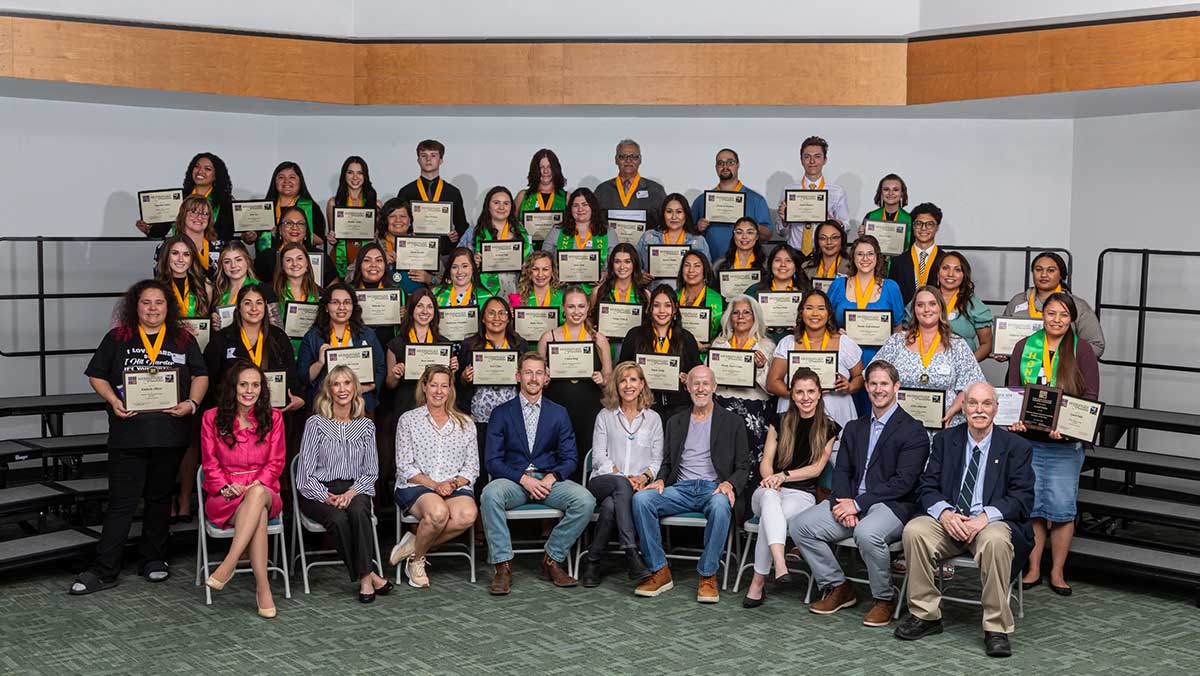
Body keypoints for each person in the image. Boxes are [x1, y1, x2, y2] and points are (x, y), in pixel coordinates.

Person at [70, 280, 208, 594]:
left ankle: (154, 559)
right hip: (127, 435)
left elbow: (201, 374)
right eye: (146, 302)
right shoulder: (118, 338)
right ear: (136, 306)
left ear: (168, 307)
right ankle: (104, 570)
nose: (152, 309)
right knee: (122, 503)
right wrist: (114, 401)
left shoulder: (182, 338)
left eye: (158, 303)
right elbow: (96, 375)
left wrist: (192, 403)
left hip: (169, 433)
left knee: (160, 499)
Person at [894, 382, 1034, 658]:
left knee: (995, 540)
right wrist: (945, 514)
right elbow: (927, 486)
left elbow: (1022, 498)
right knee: (915, 530)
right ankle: (926, 615)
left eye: (985, 404)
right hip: (951, 519)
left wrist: (984, 518)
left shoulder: (1016, 446)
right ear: (964, 407)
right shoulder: (946, 441)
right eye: (973, 403)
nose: (979, 410)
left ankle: (996, 628)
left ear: (996, 408)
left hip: (988, 524)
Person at [788, 360, 929, 627]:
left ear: (896, 387)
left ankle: (884, 598)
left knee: (867, 533)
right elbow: (842, 471)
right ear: (865, 386)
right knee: (800, 526)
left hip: (890, 505)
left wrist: (858, 504)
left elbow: (904, 483)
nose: (878, 389)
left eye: (884, 384)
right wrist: (844, 502)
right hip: (849, 501)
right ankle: (838, 586)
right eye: (873, 383)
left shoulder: (913, 430)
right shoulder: (854, 427)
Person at [1005, 292, 1100, 596]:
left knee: (1061, 510)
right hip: (1029, 442)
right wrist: (1014, 419)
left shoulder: (1082, 349)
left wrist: (1069, 428)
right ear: (1042, 315)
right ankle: (1033, 569)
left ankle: (1057, 571)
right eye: (1051, 313)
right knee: (1032, 507)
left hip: (1064, 446)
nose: (1056, 319)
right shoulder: (1024, 346)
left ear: (1071, 319)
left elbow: (1090, 397)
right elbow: (1013, 390)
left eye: (1063, 314)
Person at [632, 366, 750, 603]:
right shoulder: (675, 421)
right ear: (687, 388)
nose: (700, 388)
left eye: (706, 383)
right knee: (641, 499)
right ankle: (659, 570)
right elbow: (666, 461)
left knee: (720, 504)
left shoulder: (733, 422)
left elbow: (744, 466)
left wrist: (730, 484)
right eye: (695, 383)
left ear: (714, 387)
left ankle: (708, 575)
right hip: (681, 488)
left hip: (713, 488)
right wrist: (661, 479)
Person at [481, 352, 597, 594]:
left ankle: (552, 558)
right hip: (514, 481)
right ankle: (502, 566)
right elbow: (492, 461)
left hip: (547, 481)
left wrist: (550, 477)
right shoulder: (501, 413)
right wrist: (523, 479)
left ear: (547, 378)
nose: (533, 378)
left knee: (585, 500)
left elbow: (570, 458)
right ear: (518, 376)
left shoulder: (559, 413)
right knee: (489, 495)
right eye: (528, 372)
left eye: (538, 373)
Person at [295, 365, 393, 602]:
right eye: (336, 384)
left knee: (359, 511)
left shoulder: (367, 426)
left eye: (347, 383)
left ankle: (365, 579)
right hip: (317, 490)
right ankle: (368, 576)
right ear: (329, 389)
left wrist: (350, 493)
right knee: (338, 519)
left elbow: (371, 471)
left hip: (354, 486)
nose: (342, 389)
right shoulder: (315, 424)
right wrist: (326, 495)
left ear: (355, 388)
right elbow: (304, 473)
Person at [743, 368, 839, 608]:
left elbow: (817, 469)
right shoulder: (780, 420)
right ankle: (780, 562)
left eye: (810, 391)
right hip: (767, 490)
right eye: (799, 392)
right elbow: (766, 461)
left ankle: (758, 581)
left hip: (801, 495)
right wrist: (771, 481)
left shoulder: (829, 427)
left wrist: (783, 477)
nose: (805, 397)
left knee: (770, 515)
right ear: (792, 396)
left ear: (820, 394)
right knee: (769, 500)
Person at [199, 361, 287, 618]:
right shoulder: (211, 418)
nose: (250, 390)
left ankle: (229, 563)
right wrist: (225, 488)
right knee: (256, 514)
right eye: (244, 384)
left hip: (265, 489)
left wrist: (252, 486)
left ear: (262, 389)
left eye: (256, 385)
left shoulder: (274, 417)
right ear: (233, 387)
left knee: (257, 496)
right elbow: (209, 462)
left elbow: (276, 462)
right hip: (225, 496)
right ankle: (263, 588)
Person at [390, 365, 479, 588]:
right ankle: (417, 562)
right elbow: (404, 466)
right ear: (424, 387)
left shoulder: (465, 423)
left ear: (451, 390)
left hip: (453, 486)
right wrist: (435, 485)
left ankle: (414, 544)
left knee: (468, 514)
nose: (438, 391)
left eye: (444, 386)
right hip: (416, 485)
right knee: (438, 512)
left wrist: (454, 483)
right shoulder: (409, 420)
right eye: (433, 385)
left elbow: (472, 468)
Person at [579, 361, 662, 586]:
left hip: (637, 486)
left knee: (610, 507)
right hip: (602, 482)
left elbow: (656, 460)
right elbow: (598, 457)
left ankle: (593, 561)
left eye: (633, 379)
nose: (628, 385)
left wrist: (644, 478)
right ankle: (631, 551)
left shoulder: (653, 419)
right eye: (623, 380)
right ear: (616, 385)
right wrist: (624, 478)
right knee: (619, 487)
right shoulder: (605, 416)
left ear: (642, 384)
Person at [873, 286, 986, 429]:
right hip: (900, 427)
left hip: (946, 426)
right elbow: (872, 374)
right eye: (920, 305)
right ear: (914, 310)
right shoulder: (897, 341)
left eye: (932, 304)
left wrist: (951, 411)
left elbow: (973, 385)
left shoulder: (957, 344)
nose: (927, 310)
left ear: (941, 308)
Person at [382, 288, 458, 496]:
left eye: (429, 306)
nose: (424, 311)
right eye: (419, 306)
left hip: (437, 411)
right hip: (406, 406)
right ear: (410, 310)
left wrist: (453, 369)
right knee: (409, 460)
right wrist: (395, 374)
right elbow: (388, 384)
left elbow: (449, 383)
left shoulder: (443, 344)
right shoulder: (396, 344)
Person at [539, 285, 613, 481]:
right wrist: (543, 378)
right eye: (571, 306)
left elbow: (610, 381)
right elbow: (537, 380)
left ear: (589, 307)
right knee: (557, 454)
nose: (576, 311)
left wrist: (602, 380)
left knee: (585, 453)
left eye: (581, 306)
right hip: (556, 409)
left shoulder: (599, 339)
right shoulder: (548, 338)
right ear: (563, 307)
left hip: (589, 410)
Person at [457, 295, 529, 492]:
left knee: (507, 469)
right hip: (478, 419)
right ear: (482, 318)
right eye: (491, 313)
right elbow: (456, 383)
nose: (496, 317)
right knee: (479, 469)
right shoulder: (469, 345)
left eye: (501, 313)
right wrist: (463, 378)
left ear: (508, 317)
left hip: (512, 419)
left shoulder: (519, 345)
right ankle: (479, 520)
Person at [768, 289, 863, 430]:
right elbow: (772, 383)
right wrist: (798, 395)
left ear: (829, 313)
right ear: (801, 313)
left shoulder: (845, 343)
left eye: (821, 308)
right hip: (794, 414)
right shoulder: (788, 342)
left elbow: (860, 377)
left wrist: (848, 387)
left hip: (836, 413)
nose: (815, 314)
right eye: (809, 308)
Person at [203, 284, 305, 411]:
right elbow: (210, 381)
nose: (254, 308)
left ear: (265, 306)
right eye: (247, 303)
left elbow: (291, 374)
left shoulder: (278, 337)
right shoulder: (222, 339)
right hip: (232, 414)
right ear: (238, 307)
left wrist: (299, 397)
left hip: (272, 413)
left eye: (259, 303)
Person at [296, 282, 385, 413]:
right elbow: (303, 376)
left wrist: (365, 388)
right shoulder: (313, 336)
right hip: (324, 405)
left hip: (359, 404)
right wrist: (320, 363)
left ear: (353, 307)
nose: (341, 307)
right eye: (335, 302)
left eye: (347, 302)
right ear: (326, 307)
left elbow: (380, 368)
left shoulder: (367, 334)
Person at [617, 286, 703, 418]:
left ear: (675, 309)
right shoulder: (634, 335)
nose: (662, 311)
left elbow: (698, 373)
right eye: (656, 305)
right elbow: (621, 370)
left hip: (679, 409)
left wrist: (689, 380)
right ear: (650, 308)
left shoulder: (687, 338)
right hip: (642, 406)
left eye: (667, 305)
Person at [1001, 251, 1105, 358]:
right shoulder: (1018, 301)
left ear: (1061, 275)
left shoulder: (1077, 306)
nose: (1044, 274)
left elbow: (1097, 346)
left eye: (1051, 270)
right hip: (1022, 372)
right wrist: (1002, 352)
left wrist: (1063, 356)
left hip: (1063, 371)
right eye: (1038, 269)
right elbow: (1003, 339)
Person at [709, 295, 775, 463]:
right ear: (729, 317)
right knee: (723, 457)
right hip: (722, 406)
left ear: (755, 317)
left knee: (751, 457)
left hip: (754, 408)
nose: (740, 317)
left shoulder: (766, 345)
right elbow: (709, 378)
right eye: (736, 312)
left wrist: (761, 368)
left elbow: (772, 387)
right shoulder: (719, 343)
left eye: (746, 312)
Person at [827, 235, 905, 369]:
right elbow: (825, 321)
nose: (865, 259)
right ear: (853, 257)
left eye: (870, 254)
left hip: (881, 358)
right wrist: (835, 334)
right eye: (860, 254)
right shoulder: (838, 285)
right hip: (844, 357)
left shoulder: (891, 287)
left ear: (877, 257)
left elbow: (897, 329)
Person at [906, 251, 994, 361]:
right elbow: (907, 335)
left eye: (957, 270)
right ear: (938, 272)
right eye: (945, 268)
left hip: (961, 370)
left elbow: (986, 344)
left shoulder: (974, 305)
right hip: (922, 365)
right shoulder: (922, 299)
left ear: (964, 275)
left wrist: (968, 366)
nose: (950, 274)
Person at [135, 152, 234, 242]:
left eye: (207, 169)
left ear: (216, 175)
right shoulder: (178, 198)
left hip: (211, 256)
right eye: (197, 167)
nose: (200, 171)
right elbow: (161, 231)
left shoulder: (224, 201)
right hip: (180, 253)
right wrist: (148, 230)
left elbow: (227, 235)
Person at [776, 136, 850, 255]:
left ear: (825, 160)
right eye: (807, 157)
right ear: (801, 160)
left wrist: (832, 222)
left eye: (817, 156)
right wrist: (784, 221)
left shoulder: (837, 191)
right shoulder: (789, 190)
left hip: (824, 253)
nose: (812, 161)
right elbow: (781, 232)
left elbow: (846, 226)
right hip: (794, 253)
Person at [691, 148, 773, 255]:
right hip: (710, 264)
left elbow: (768, 234)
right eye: (720, 163)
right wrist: (698, 228)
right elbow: (688, 233)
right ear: (716, 167)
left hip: (745, 266)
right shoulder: (701, 200)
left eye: (730, 162)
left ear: (738, 165)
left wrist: (751, 226)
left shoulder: (756, 200)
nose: (725, 167)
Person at [395, 139, 468, 256]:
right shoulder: (406, 192)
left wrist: (456, 234)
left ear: (441, 160)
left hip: (444, 252)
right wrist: (408, 233)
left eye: (433, 155)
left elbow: (462, 225)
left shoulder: (453, 192)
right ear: (418, 160)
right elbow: (398, 221)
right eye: (424, 155)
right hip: (414, 252)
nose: (428, 159)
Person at [541, 187, 620, 293]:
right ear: (570, 209)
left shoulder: (608, 233)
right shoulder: (557, 231)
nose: (580, 209)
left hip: (598, 291)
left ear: (593, 207)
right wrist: (554, 274)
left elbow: (617, 261)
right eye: (575, 205)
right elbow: (543, 259)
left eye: (585, 204)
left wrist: (606, 273)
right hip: (563, 291)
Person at [462, 186, 531, 297]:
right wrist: (471, 263)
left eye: (506, 203)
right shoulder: (473, 233)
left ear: (511, 207)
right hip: (483, 292)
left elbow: (532, 262)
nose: (501, 207)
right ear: (488, 206)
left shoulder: (521, 232)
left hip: (516, 290)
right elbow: (456, 262)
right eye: (496, 203)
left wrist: (526, 264)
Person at [327, 155, 382, 279]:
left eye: (360, 173)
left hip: (367, 258)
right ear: (344, 175)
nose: (355, 177)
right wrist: (331, 237)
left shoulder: (376, 204)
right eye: (350, 172)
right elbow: (333, 234)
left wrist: (376, 235)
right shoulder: (333, 203)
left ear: (365, 176)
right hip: (340, 256)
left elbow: (379, 236)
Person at [594, 139, 668, 231]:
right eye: (622, 156)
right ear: (616, 160)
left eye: (634, 157)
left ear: (640, 160)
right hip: (610, 244)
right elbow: (592, 222)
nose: (628, 160)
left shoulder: (656, 190)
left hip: (645, 244)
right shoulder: (602, 190)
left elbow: (666, 223)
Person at [254, 206, 337, 288]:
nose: (294, 227)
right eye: (289, 223)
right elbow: (256, 287)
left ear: (306, 230)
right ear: (279, 229)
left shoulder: (320, 256)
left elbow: (333, 288)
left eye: (300, 223)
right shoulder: (267, 257)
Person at [251, 161, 327, 251]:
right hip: (268, 260)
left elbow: (320, 240)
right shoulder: (263, 207)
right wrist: (249, 237)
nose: (286, 181)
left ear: (300, 181)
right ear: (275, 181)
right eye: (281, 177)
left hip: (299, 261)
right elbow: (251, 238)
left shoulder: (311, 207)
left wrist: (293, 232)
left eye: (292, 177)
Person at [745, 243, 811, 344]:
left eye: (788, 261)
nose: (783, 265)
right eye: (777, 260)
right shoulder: (754, 291)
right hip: (761, 344)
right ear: (770, 264)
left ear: (795, 266)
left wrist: (802, 325)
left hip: (797, 343)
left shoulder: (807, 292)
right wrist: (757, 324)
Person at [636, 193, 711, 281]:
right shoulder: (649, 237)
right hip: (653, 292)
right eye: (669, 211)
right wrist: (640, 275)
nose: (674, 217)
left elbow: (707, 273)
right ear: (663, 213)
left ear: (686, 214)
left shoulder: (698, 241)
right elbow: (634, 265)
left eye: (679, 212)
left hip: (686, 293)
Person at [588, 243, 650, 348]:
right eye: (617, 262)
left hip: (633, 350)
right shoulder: (598, 292)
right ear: (612, 264)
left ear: (634, 264)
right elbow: (588, 319)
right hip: (604, 349)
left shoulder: (645, 295)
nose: (622, 267)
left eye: (627, 262)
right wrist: (594, 332)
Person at [346, 242, 404, 349]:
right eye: (367, 260)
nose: (373, 265)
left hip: (389, 348)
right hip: (356, 347)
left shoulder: (397, 291)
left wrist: (406, 315)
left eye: (379, 260)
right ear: (359, 264)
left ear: (385, 265)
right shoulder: (348, 291)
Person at [212, 241, 281, 330]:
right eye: (227, 261)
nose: (233, 265)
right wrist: (214, 322)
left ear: (247, 261)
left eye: (238, 260)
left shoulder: (264, 290)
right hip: (226, 342)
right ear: (221, 265)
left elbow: (278, 330)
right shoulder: (218, 291)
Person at [888, 202, 946, 306]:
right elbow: (893, 297)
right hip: (905, 320)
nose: (924, 228)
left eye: (930, 224)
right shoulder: (897, 262)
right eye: (919, 223)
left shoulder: (945, 260)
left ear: (937, 227)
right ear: (913, 226)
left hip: (936, 319)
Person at [272, 242, 323, 357]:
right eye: (288, 260)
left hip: (312, 353)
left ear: (307, 264)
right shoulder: (272, 294)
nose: (295, 264)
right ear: (282, 266)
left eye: (299, 258)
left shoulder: (321, 294)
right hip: (282, 353)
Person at [151, 194, 223, 276]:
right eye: (194, 212)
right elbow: (160, 282)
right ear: (183, 214)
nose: (199, 218)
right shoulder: (166, 247)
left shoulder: (220, 247)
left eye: (205, 214)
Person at [375, 198, 436, 293]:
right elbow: (351, 275)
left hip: (417, 303)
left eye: (403, 216)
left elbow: (443, 278)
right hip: (384, 301)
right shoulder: (373, 244)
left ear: (410, 220)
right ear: (385, 220)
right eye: (392, 216)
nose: (398, 220)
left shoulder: (424, 244)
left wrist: (429, 279)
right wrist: (378, 261)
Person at [675, 250, 724, 349]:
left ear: (705, 271)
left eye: (697, 266)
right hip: (676, 352)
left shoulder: (720, 302)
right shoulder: (672, 298)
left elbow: (725, 335)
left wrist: (708, 346)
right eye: (687, 265)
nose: (691, 270)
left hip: (705, 356)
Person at [515, 148, 568, 225]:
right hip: (528, 237)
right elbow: (510, 224)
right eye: (541, 167)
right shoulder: (522, 196)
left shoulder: (566, 197)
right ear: (535, 170)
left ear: (555, 169)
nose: (545, 171)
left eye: (549, 167)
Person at [510, 250, 564, 325]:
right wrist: (509, 318)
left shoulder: (562, 298)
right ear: (529, 271)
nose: (540, 274)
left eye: (545, 269)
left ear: (552, 271)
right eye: (535, 269)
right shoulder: (519, 299)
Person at [859, 174, 912, 247]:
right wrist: (861, 236)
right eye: (886, 189)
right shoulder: (870, 217)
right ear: (881, 193)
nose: (890, 193)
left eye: (895, 190)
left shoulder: (910, 219)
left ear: (902, 193)